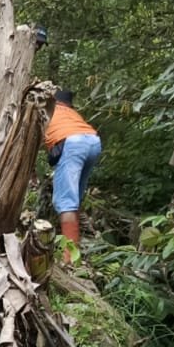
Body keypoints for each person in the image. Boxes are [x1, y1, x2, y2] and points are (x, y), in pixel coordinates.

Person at [45, 87, 100, 258]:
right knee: (74, 198)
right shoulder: (71, 112)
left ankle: (69, 258)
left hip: (72, 143)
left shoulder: (46, 110)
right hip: (93, 141)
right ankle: (74, 251)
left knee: (65, 202)